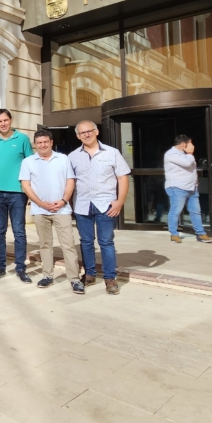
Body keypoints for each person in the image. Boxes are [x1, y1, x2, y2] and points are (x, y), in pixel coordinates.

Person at [68, 120, 131, 295]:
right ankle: (89, 274)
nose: (86, 134)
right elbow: (69, 181)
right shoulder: (73, 156)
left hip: (106, 205)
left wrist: (120, 201)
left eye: (89, 131)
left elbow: (123, 178)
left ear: (96, 132)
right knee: (86, 242)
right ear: (78, 136)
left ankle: (110, 278)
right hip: (82, 205)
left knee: (106, 242)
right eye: (82, 133)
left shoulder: (112, 153)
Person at [19, 129, 79, 289]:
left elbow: (70, 181)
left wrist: (63, 200)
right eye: (39, 143)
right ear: (35, 145)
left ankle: (74, 279)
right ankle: (47, 275)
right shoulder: (28, 162)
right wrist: (40, 203)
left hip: (62, 209)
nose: (42, 145)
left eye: (45, 142)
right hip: (40, 210)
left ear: (51, 142)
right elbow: (26, 185)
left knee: (68, 245)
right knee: (45, 244)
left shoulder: (63, 159)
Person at [0, 109, 34, 283]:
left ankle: (20, 268)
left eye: (6, 120)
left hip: (17, 192)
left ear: (10, 120)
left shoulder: (22, 139)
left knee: (19, 231)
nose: (3, 123)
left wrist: (29, 190)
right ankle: (0, 266)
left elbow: (30, 165)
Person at [164, 134, 212, 245]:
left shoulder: (186, 155)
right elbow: (187, 164)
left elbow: (191, 169)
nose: (192, 146)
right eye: (190, 143)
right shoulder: (171, 154)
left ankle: (201, 233)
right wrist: (190, 154)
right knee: (176, 211)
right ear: (183, 144)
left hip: (192, 187)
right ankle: (174, 234)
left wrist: (195, 181)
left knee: (196, 211)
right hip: (177, 187)